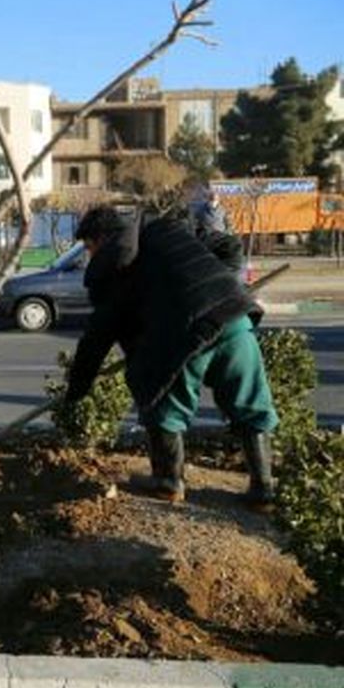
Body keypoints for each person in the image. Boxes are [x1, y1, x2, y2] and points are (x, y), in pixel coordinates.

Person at [64, 206, 278, 508]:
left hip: (183, 336)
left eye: (88, 247)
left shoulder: (110, 266)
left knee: (164, 402)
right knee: (250, 403)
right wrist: (221, 286)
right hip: (233, 316)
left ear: (99, 238)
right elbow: (229, 246)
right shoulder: (168, 228)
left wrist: (77, 388)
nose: (89, 254)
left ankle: (168, 482)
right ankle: (263, 491)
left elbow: (98, 335)